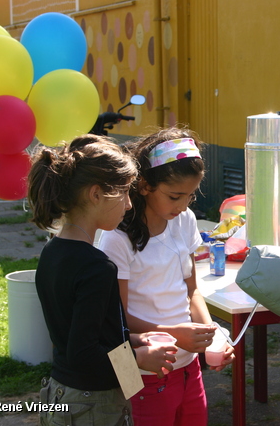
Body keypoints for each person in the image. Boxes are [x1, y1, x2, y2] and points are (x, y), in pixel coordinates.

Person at [27, 135, 178, 425]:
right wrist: (139, 359)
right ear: (96, 194)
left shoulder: (51, 252)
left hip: (60, 393)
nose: (129, 205)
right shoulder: (98, 267)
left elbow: (80, 333)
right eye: (123, 193)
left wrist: (132, 337)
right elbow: (83, 354)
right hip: (93, 405)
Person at [99, 127, 235, 426]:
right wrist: (177, 333)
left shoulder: (184, 221)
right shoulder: (116, 238)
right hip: (140, 369)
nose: (184, 205)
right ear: (145, 186)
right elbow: (115, 319)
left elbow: (192, 291)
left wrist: (210, 333)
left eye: (190, 195)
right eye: (175, 196)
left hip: (186, 366)